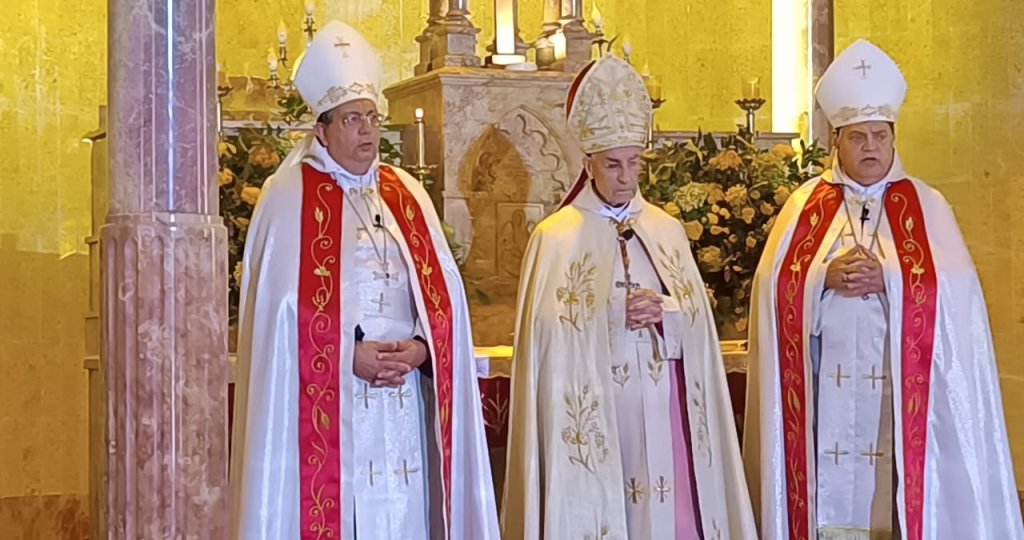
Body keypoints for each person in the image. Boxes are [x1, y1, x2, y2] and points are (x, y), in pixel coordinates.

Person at [743, 39, 1024, 540]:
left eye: (879, 135)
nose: (870, 146)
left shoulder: (927, 204)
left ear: (893, 138)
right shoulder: (805, 204)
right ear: (836, 141)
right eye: (858, 137)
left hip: (897, 394)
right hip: (822, 391)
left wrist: (890, 279)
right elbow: (772, 286)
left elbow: (957, 298)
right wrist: (820, 277)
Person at [229, 20, 499, 540]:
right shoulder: (288, 194)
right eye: (352, 119)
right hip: (338, 398)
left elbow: (445, 300)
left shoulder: (405, 191)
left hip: (406, 399)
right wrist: (346, 355)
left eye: (372, 117)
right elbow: (279, 315)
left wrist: (421, 348)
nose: (367, 130)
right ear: (322, 130)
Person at [501, 53, 757, 540]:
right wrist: (607, 313)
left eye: (633, 163)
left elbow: (699, 327)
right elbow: (548, 340)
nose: (625, 176)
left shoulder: (666, 229)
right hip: (599, 409)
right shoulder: (555, 237)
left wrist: (665, 311)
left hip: (663, 402)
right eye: (612, 164)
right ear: (588, 164)